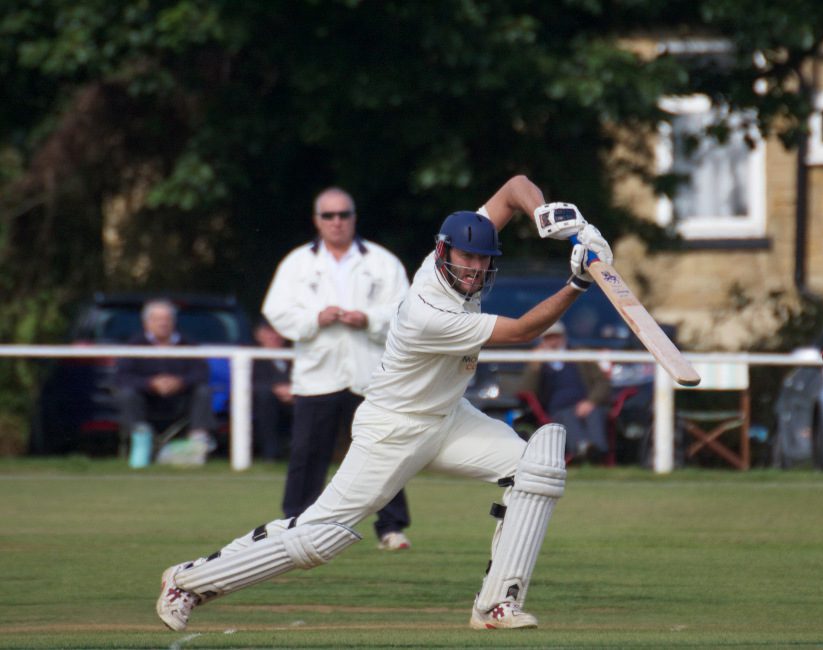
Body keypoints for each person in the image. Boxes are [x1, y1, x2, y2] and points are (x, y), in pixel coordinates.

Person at [155, 175, 614, 632]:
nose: (474, 267)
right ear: (443, 253)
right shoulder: (428, 311)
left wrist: (553, 220)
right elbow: (523, 332)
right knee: (320, 537)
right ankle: (188, 582)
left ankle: (496, 605)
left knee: (537, 467)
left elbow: (514, 187)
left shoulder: (461, 259)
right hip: (393, 428)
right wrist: (577, 281)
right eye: (466, 257)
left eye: (482, 258)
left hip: (448, 420)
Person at [261, 187, 413, 551]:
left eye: (343, 214)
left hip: (371, 374)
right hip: (318, 375)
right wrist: (315, 318)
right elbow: (276, 311)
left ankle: (391, 528)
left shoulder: (381, 261)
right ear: (317, 221)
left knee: (382, 452)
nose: (337, 222)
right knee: (307, 454)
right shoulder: (297, 263)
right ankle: (295, 524)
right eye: (328, 216)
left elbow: (406, 311)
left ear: (354, 217)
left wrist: (369, 319)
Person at [115, 299, 213, 450]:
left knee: (203, 391)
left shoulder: (188, 344)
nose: (163, 323)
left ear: (174, 322)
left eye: (167, 319)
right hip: (146, 401)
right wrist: (151, 383)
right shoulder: (134, 345)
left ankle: (197, 445)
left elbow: (202, 373)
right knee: (128, 394)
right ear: (146, 322)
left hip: (181, 401)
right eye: (157, 319)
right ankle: (140, 444)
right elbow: (123, 377)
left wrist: (179, 382)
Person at [520, 320, 612, 464]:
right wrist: (535, 366)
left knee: (594, 413)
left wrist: (591, 401)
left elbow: (602, 382)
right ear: (542, 341)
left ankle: (597, 451)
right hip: (558, 408)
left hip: (585, 402)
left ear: (564, 337)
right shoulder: (537, 363)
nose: (553, 342)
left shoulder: (580, 355)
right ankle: (581, 448)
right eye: (548, 338)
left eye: (556, 337)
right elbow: (526, 391)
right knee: (567, 416)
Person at [251, 319, 293, 461]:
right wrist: (275, 388)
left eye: (277, 332)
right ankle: (271, 453)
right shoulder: (251, 358)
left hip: (295, 398)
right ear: (258, 335)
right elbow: (250, 382)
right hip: (262, 401)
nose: (274, 336)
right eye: (269, 332)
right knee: (265, 396)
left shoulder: (295, 357)